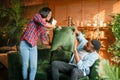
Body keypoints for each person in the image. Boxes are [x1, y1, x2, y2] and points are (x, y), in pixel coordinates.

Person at [19, 7, 56, 80]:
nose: (50, 16)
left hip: (33, 47)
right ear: (45, 12)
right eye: (50, 13)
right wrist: (53, 26)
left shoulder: (43, 29)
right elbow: (43, 23)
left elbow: (44, 41)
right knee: (25, 65)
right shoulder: (37, 16)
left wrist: (51, 39)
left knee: (33, 67)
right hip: (24, 44)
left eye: (51, 14)